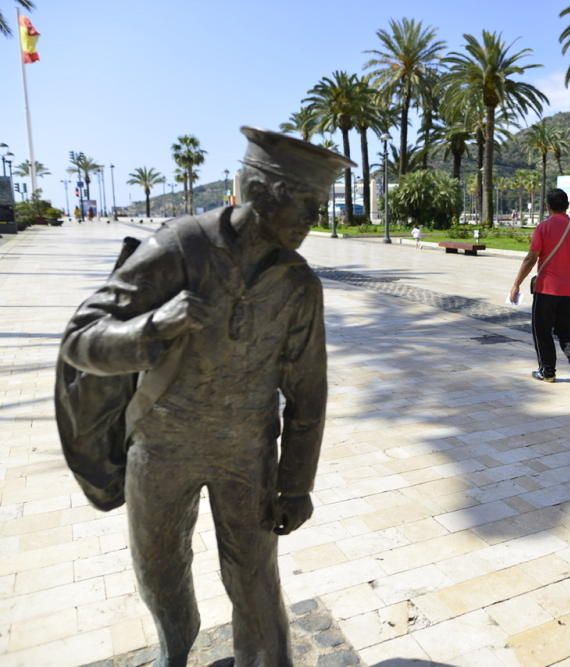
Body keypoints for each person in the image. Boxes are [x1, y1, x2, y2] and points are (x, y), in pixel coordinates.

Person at [59, 127, 351, 667]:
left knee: (255, 579)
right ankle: (176, 644)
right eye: (308, 205)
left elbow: (309, 393)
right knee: (159, 573)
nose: (315, 220)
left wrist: (296, 485)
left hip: (247, 454)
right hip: (161, 447)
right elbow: (81, 338)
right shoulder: (179, 247)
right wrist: (151, 328)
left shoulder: (299, 285)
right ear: (265, 194)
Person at [509, 188, 570, 383]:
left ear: (548, 206)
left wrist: (516, 284)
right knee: (565, 329)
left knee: (542, 330)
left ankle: (548, 371)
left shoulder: (543, 227)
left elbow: (531, 258)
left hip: (546, 289)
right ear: (567, 206)